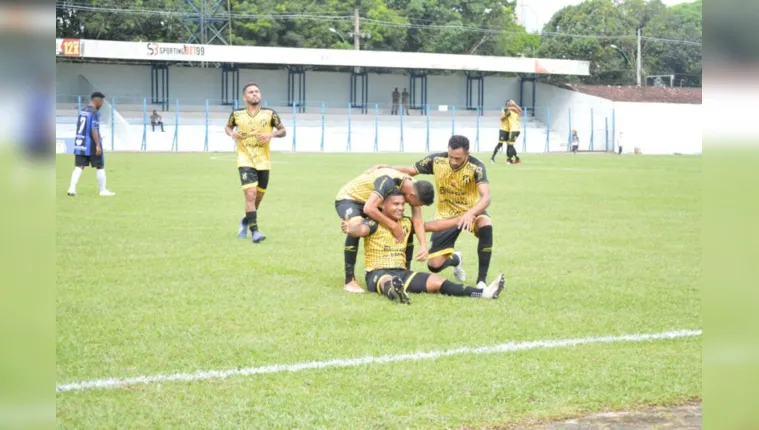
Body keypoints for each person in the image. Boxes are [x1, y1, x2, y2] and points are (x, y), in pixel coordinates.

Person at [374, 135, 495, 289]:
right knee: (434, 265)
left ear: (467, 153)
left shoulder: (476, 167)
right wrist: (386, 168)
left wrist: (470, 213)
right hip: (445, 217)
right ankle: (456, 260)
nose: (453, 161)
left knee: (485, 223)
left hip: (470, 212)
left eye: (458, 158)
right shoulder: (437, 160)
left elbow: (486, 198)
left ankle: (481, 282)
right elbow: (410, 170)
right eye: (451, 156)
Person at [342, 191, 505, 304]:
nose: (400, 208)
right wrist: (351, 229)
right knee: (388, 281)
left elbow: (435, 226)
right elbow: (360, 230)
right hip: (377, 274)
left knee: (438, 282)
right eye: (395, 204)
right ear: (382, 205)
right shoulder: (373, 223)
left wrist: (460, 219)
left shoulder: (406, 223)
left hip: (402, 273)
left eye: (402, 204)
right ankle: (396, 292)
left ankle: (484, 293)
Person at [335, 167, 435, 293]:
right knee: (356, 224)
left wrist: (424, 245)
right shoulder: (388, 182)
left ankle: (404, 271)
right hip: (350, 199)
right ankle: (349, 281)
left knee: (404, 223)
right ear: (411, 195)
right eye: (417, 204)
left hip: (371, 202)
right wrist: (393, 226)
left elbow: (417, 220)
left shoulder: (415, 186)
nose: (415, 206)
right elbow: (369, 209)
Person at [225, 82, 287, 244]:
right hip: (245, 159)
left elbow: (283, 131)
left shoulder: (270, 114)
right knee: (250, 195)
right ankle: (255, 232)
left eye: (257, 91)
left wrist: (270, 135)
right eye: (251, 92)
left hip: (264, 161)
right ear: (245, 97)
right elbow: (227, 127)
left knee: (258, 198)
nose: (255, 94)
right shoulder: (237, 114)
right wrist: (232, 133)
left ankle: (246, 220)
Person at [67, 91, 115, 197]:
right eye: (101, 102)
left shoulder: (82, 111)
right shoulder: (94, 112)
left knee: (79, 166)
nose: (102, 105)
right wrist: (98, 144)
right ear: (97, 101)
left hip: (80, 143)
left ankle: (71, 189)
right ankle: (102, 190)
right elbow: (94, 129)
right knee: (100, 166)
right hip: (92, 143)